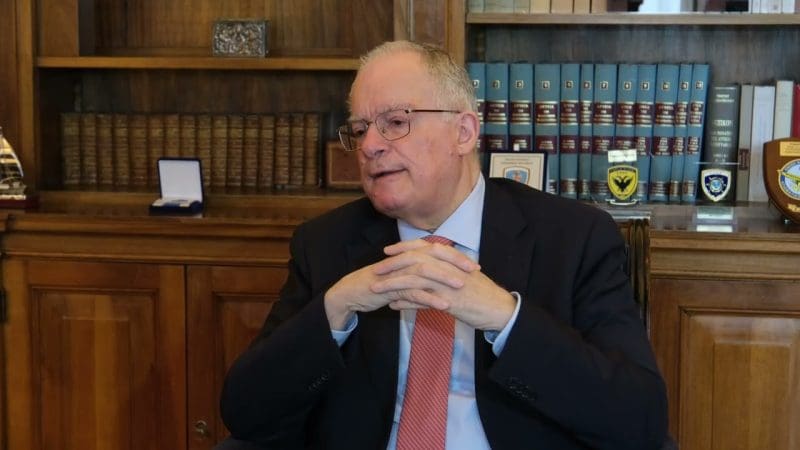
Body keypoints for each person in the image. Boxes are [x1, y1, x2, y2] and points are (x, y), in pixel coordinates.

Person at [219, 40, 668, 450]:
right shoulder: (326, 244)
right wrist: (334, 309)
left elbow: (639, 420)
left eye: (395, 122)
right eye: (359, 130)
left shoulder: (573, 238)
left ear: (464, 132)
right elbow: (246, 412)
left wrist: (506, 319)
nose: (369, 146)